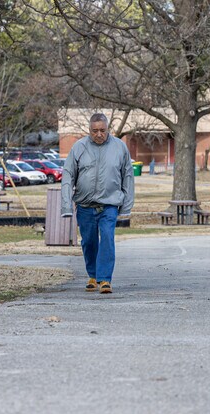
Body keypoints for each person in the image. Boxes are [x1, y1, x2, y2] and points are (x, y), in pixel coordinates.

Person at [61, 113, 135, 294]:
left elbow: (128, 176)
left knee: (107, 238)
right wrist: (66, 205)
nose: (99, 134)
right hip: (85, 205)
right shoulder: (79, 147)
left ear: (108, 129)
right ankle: (93, 275)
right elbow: (68, 175)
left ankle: (105, 279)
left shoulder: (120, 147)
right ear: (89, 130)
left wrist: (126, 206)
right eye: (95, 131)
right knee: (89, 242)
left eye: (102, 130)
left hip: (109, 204)